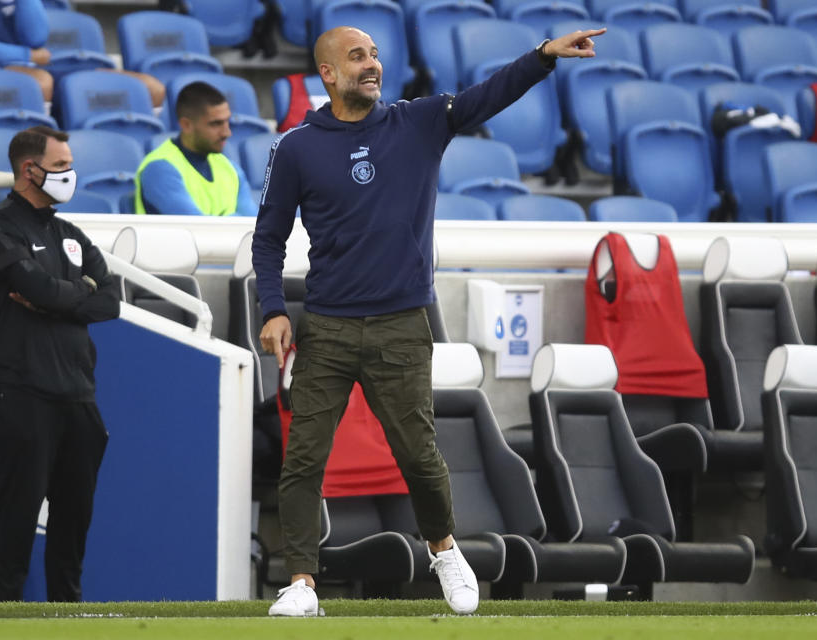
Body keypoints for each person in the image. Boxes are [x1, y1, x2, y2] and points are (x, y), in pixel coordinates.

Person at [252, 25, 604, 617]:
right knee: (303, 459)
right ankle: (303, 585)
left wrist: (543, 57)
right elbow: (267, 240)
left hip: (401, 325)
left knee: (419, 456)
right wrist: (272, 309)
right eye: (356, 57)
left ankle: (445, 552)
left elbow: (486, 95)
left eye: (375, 55)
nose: (372, 65)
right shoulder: (296, 147)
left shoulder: (417, 122)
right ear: (329, 75)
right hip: (329, 328)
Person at [0, 125, 120, 601]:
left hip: (79, 392)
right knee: (19, 511)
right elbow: (36, 289)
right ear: (27, 169)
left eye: (69, 165)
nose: (69, 175)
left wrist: (63, 297)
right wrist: (80, 293)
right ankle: (3, 614)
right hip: (24, 388)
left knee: (75, 515)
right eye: (60, 167)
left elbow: (111, 302)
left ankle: (66, 613)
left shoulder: (70, 233)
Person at [0, 0, 165, 107]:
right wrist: (25, 55)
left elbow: (36, 38)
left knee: (149, 86)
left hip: (43, 66)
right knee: (40, 83)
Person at [134, 81, 256, 216]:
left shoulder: (231, 168)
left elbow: (253, 224)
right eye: (216, 124)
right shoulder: (159, 168)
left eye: (227, 121)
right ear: (186, 125)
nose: (227, 133)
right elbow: (198, 229)